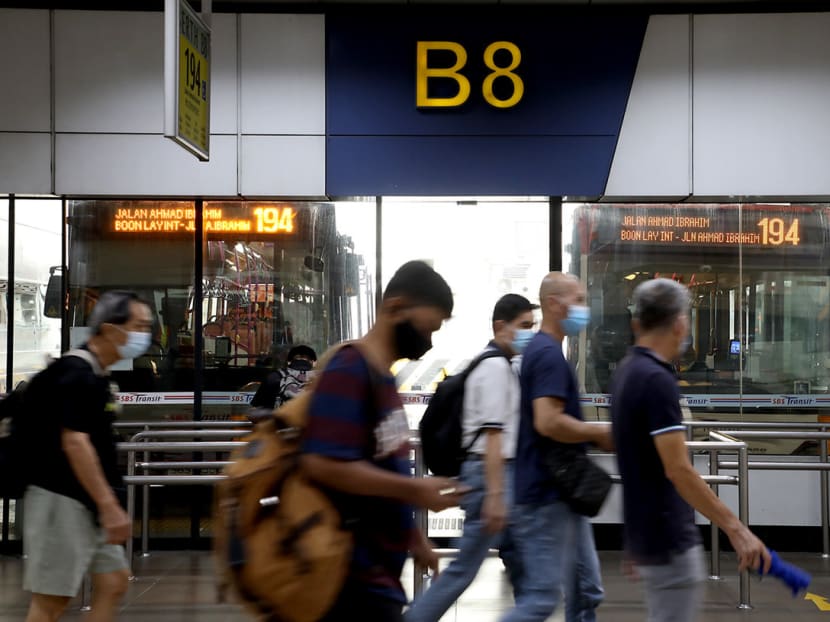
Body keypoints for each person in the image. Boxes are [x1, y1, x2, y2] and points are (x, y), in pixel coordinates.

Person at [300, 260, 467, 622]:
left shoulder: (383, 377)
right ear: (395, 307)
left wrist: (414, 538)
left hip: (376, 576)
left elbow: (380, 465)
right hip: (346, 579)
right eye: (428, 328)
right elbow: (322, 463)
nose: (429, 340)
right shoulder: (349, 370)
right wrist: (415, 492)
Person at [610, 278, 771, 622]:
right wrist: (737, 530)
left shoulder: (626, 372)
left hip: (649, 537)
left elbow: (634, 460)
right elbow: (678, 469)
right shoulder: (657, 381)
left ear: (638, 322)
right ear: (681, 322)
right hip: (670, 541)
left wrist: (634, 538)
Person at [22, 290, 153, 622]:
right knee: (51, 600)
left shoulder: (96, 374)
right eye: (139, 325)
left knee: (113, 581)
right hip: (60, 498)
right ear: (110, 329)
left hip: (87, 501)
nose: (145, 334)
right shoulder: (75, 374)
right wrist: (109, 506)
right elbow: (75, 443)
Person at [405, 294, 535, 622]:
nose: (527, 334)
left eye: (531, 327)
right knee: (465, 569)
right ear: (499, 326)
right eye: (523, 326)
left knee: (524, 568)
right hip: (492, 475)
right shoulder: (493, 367)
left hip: (496, 476)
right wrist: (494, 495)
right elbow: (492, 436)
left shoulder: (498, 364)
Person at [501, 272, 612, 622]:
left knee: (586, 589)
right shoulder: (547, 354)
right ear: (553, 304)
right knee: (541, 600)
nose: (583, 308)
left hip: (558, 493)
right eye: (577, 300)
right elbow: (547, 421)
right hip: (547, 496)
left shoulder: (543, 350)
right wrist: (597, 432)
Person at [248, 344, 317, 420]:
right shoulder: (322, 378)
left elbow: (256, 411)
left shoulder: (275, 376)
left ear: (288, 362)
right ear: (313, 362)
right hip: (313, 428)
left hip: (280, 427)